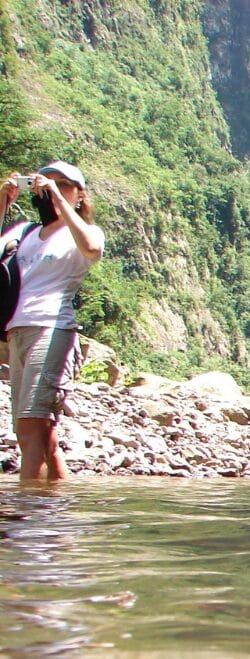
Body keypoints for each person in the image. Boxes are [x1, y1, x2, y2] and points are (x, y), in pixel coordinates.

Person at [0, 161, 105, 481]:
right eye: (49, 183)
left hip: (52, 329)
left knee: (32, 429)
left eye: (64, 184)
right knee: (36, 433)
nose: (53, 189)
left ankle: (27, 518)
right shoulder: (23, 232)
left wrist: (59, 199)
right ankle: (55, 512)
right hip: (17, 330)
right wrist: (2, 202)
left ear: (79, 195)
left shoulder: (85, 232)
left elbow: (91, 248)